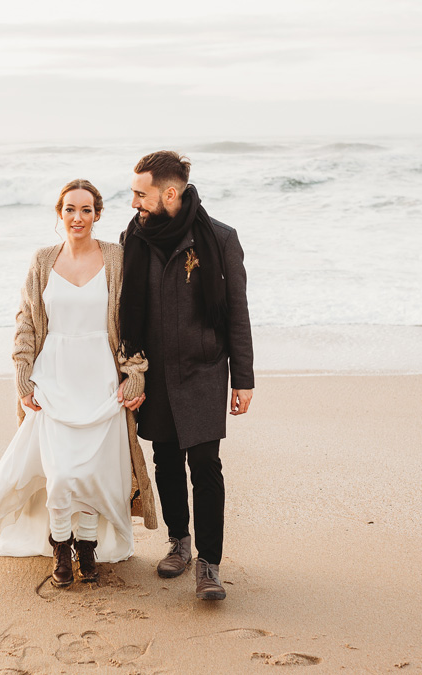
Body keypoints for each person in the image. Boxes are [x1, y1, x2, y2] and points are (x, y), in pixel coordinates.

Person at [0, 179, 158, 588]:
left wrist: (135, 374)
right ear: (59, 213)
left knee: (92, 471)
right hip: (55, 376)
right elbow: (27, 322)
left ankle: (86, 547)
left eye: (86, 210)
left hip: (101, 378)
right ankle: (60, 543)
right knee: (62, 471)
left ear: (98, 215)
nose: (77, 217)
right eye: (70, 209)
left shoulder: (117, 257)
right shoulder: (43, 260)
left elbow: (135, 320)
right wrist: (22, 373)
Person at [120, 151, 254, 601]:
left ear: (169, 193)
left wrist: (244, 378)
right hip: (155, 371)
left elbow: (238, 312)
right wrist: (130, 370)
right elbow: (120, 311)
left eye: (141, 193)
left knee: (206, 466)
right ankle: (180, 542)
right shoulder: (133, 239)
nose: (134, 201)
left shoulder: (220, 238)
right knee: (166, 460)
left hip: (204, 370)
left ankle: (210, 567)